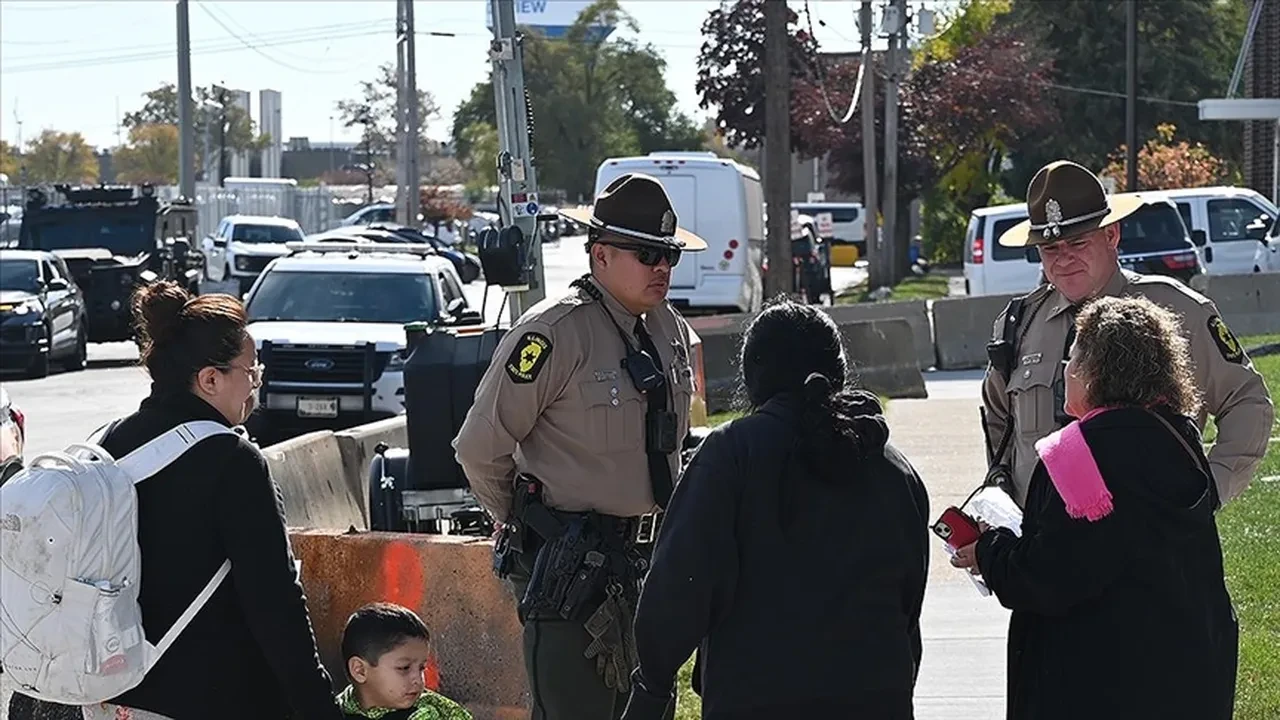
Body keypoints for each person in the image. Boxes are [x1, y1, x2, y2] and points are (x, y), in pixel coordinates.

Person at [453, 173, 707, 720]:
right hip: (572, 572)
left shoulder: (668, 330)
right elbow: (479, 446)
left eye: (669, 255)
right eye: (646, 254)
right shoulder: (553, 333)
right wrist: (519, 522)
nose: (661, 267)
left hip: (648, 566)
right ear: (600, 255)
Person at [621, 301, 931, 720]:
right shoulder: (894, 470)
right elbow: (908, 607)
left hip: (754, 699)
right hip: (877, 697)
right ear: (838, 373)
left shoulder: (730, 455)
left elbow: (677, 590)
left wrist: (651, 690)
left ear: (753, 377)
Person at [953, 295, 1239, 720]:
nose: (1065, 370)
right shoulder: (1179, 435)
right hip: (1190, 666)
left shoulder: (1077, 454)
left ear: (1095, 372)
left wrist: (990, 551)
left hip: (1103, 680)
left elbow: (1049, 576)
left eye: (1072, 359)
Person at [83, 281, 342, 720]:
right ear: (209, 378)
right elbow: (274, 600)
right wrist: (318, 705)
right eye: (251, 373)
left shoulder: (108, 442)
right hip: (206, 695)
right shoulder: (232, 460)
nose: (255, 387)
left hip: (112, 694)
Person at [982, 160, 1273, 507]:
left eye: (1077, 243)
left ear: (1111, 235)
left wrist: (1211, 490)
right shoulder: (1021, 323)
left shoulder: (1176, 310)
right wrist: (1000, 493)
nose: (1063, 260)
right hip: (1042, 546)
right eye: (1050, 249)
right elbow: (998, 417)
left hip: (1148, 542)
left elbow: (1247, 402)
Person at [337, 603, 472, 720]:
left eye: (421, 668)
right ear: (359, 670)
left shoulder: (436, 713)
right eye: (404, 668)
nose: (418, 681)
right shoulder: (332, 711)